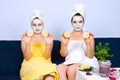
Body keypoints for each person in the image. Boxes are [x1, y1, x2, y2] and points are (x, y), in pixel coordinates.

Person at [57, 3, 99, 80]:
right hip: (70, 61)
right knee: (59, 68)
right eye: (75, 22)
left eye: (80, 22)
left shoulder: (88, 36)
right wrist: (65, 44)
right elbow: (63, 55)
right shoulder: (67, 36)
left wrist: (88, 43)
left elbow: (90, 56)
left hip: (85, 62)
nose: (77, 25)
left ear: (83, 22)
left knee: (71, 70)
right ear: (71, 22)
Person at [20, 9, 58, 80]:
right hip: (30, 65)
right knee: (38, 77)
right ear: (31, 25)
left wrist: (48, 44)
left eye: (39, 24)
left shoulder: (48, 38)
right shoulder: (26, 38)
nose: (37, 27)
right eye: (34, 25)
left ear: (43, 25)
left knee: (49, 78)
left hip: (45, 63)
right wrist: (27, 43)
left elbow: (47, 57)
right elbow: (27, 58)